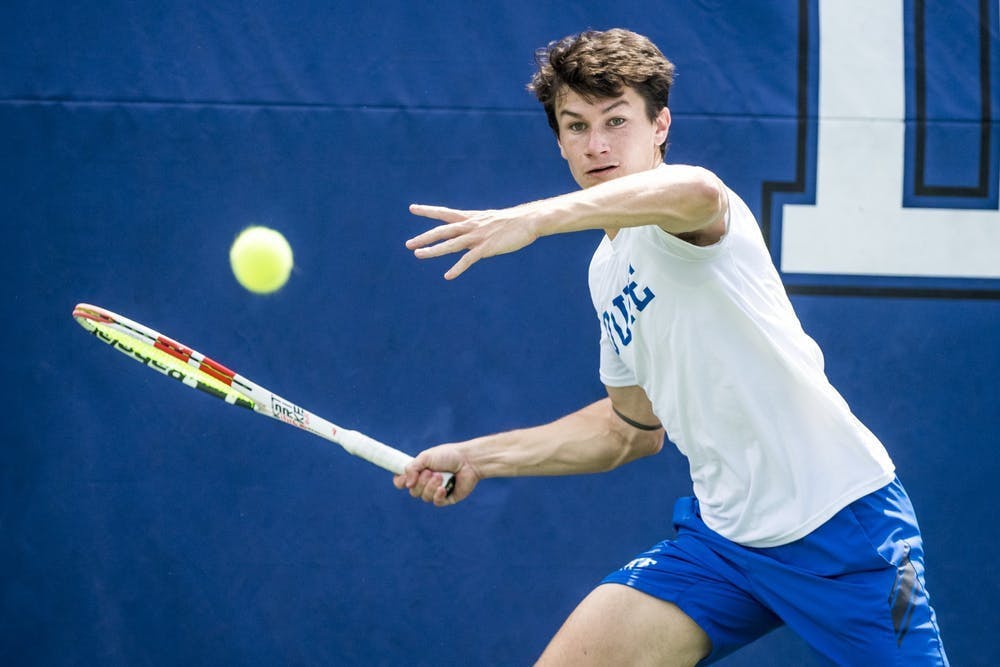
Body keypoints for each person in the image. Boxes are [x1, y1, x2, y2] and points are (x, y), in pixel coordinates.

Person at [394, 28, 949, 665]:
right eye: (575, 126)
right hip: (725, 545)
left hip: (843, 527)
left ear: (661, 126)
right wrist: (476, 455)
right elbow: (629, 429)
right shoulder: (605, 272)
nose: (596, 144)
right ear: (559, 140)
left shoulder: (687, 207)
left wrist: (536, 217)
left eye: (616, 120)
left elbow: (696, 194)